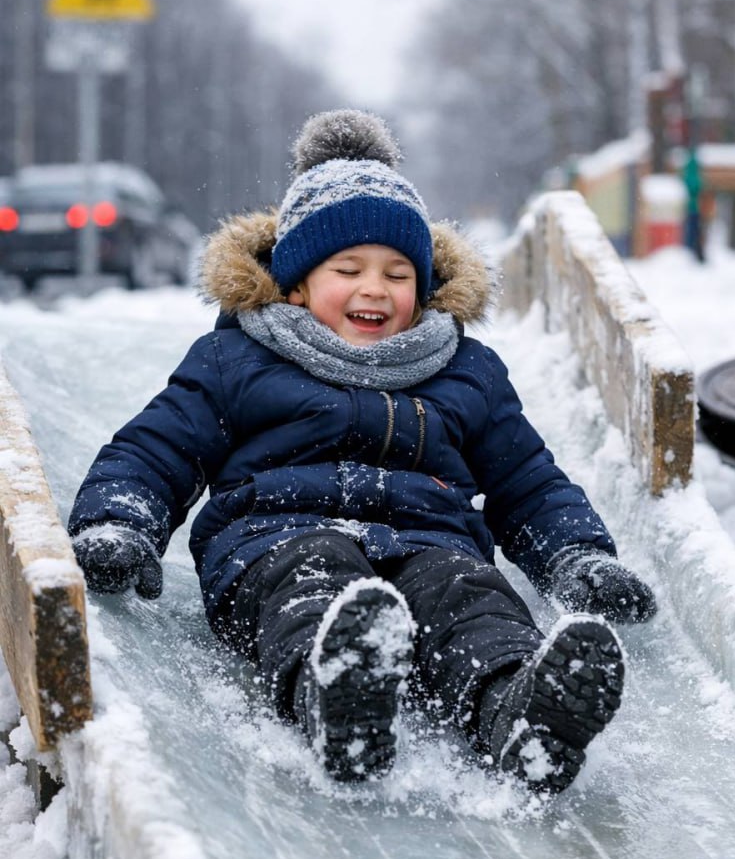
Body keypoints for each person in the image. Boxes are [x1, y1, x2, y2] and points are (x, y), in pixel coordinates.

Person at [69, 110, 656, 792]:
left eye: (398, 273)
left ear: (425, 285)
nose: (374, 288)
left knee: (468, 596)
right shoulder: (236, 358)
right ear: (294, 284)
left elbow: (527, 480)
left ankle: (518, 713)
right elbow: (156, 446)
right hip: (274, 538)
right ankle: (335, 696)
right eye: (347, 268)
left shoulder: (463, 370)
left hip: (432, 541)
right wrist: (119, 520)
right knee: (313, 575)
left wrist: (575, 554)